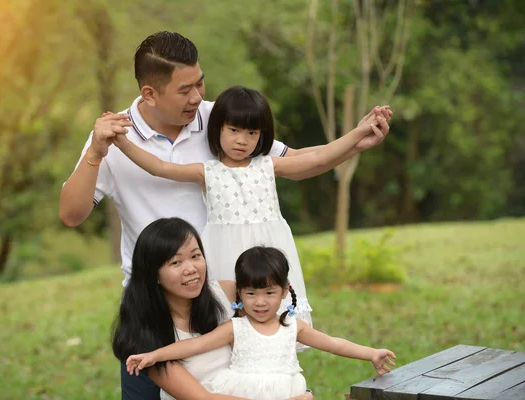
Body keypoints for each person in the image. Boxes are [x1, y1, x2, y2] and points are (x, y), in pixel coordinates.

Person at [58, 30, 391, 398]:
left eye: (200, 83)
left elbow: (295, 162)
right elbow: (71, 214)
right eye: (184, 90)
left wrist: (355, 142)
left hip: (219, 301)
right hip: (154, 308)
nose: (197, 97)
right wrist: (97, 152)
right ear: (149, 94)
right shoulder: (113, 135)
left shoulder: (222, 120)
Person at [109, 85, 390, 326]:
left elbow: (318, 160)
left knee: (274, 323)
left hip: (270, 253)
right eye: (234, 130)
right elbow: (159, 167)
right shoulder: (206, 171)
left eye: (252, 133)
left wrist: (358, 133)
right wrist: (121, 142)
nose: (242, 140)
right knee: (231, 328)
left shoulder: (269, 165)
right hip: (225, 256)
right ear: (217, 127)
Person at [125, 246, 397, 400]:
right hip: (246, 393)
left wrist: (370, 353)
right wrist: (154, 355)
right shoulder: (235, 328)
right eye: (251, 294)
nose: (260, 302)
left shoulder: (293, 326)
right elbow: (193, 346)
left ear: (284, 290)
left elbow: (333, 343)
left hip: (288, 390)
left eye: (269, 293)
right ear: (239, 293)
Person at [112, 217, 314, 400]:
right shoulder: (147, 339)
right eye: (176, 262)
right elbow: (203, 398)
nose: (191, 268)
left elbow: (271, 340)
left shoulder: (227, 293)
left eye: (195, 255)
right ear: (153, 274)